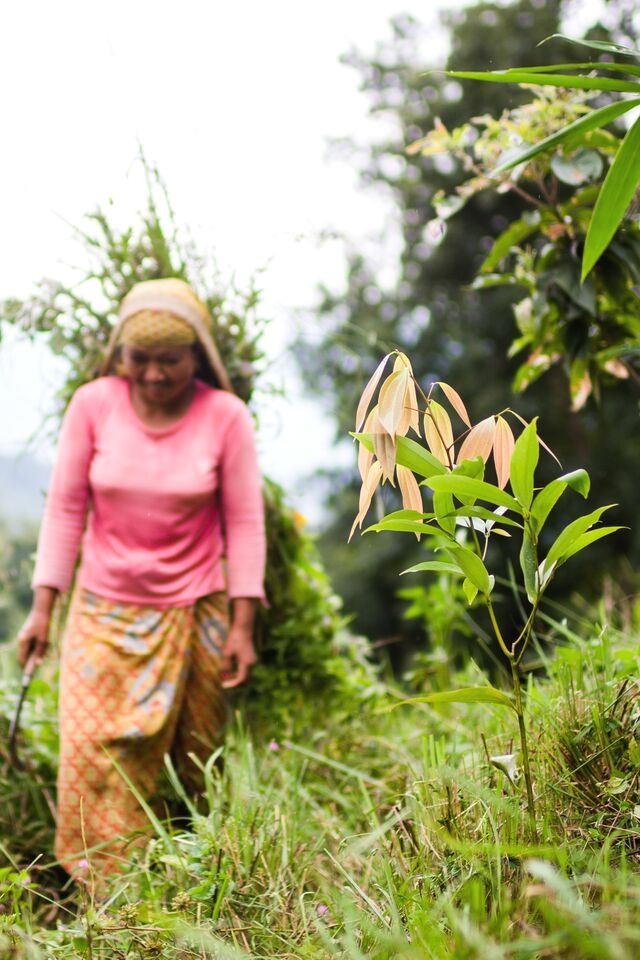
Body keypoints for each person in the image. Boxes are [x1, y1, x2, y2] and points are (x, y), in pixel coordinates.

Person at [17, 277, 266, 884]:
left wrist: (242, 626)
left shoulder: (225, 417)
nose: (154, 374)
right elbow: (65, 510)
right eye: (140, 359)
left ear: (197, 357)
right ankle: (105, 892)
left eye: (170, 361)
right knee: (89, 756)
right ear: (120, 355)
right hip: (102, 610)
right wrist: (42, 609)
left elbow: (244, 520)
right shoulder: (93, 404)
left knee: (189, 760)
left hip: (196, 612)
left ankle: (178, 884)